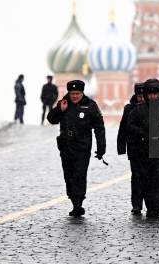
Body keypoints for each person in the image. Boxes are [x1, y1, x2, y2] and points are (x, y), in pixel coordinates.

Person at [47, 80, 106, 217]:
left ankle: (78, 203)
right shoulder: (63, 103)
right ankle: (73, 199)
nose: (74, 96)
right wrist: (59, 110)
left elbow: (99, 127)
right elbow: (51, 119)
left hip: (82, 147)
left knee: (79, 175)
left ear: (82, 93)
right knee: (69, 176)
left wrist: (101, 146)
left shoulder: (90, 105)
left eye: (77, 94)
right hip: (66, 146)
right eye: (72, 93)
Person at [127, 78, 159, 217]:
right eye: (150, 94)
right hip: (143, 152)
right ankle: (150, 207)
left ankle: (158, 206)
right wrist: (144, 134)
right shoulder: (138, 109)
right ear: (146, 95)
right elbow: (130, 126)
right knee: (147, 180)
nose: (153, 96)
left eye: (156, 94)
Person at [117, 82, 146, 214]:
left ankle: (150, 204)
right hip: (134, 148)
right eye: (139, 96)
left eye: (143, 96)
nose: (141, 99)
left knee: (149, 177)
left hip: (148, 148)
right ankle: (137, 204)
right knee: (136, 176)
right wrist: (121, 147)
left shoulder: (152, 107)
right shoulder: (129, 108)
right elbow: (123, 127)